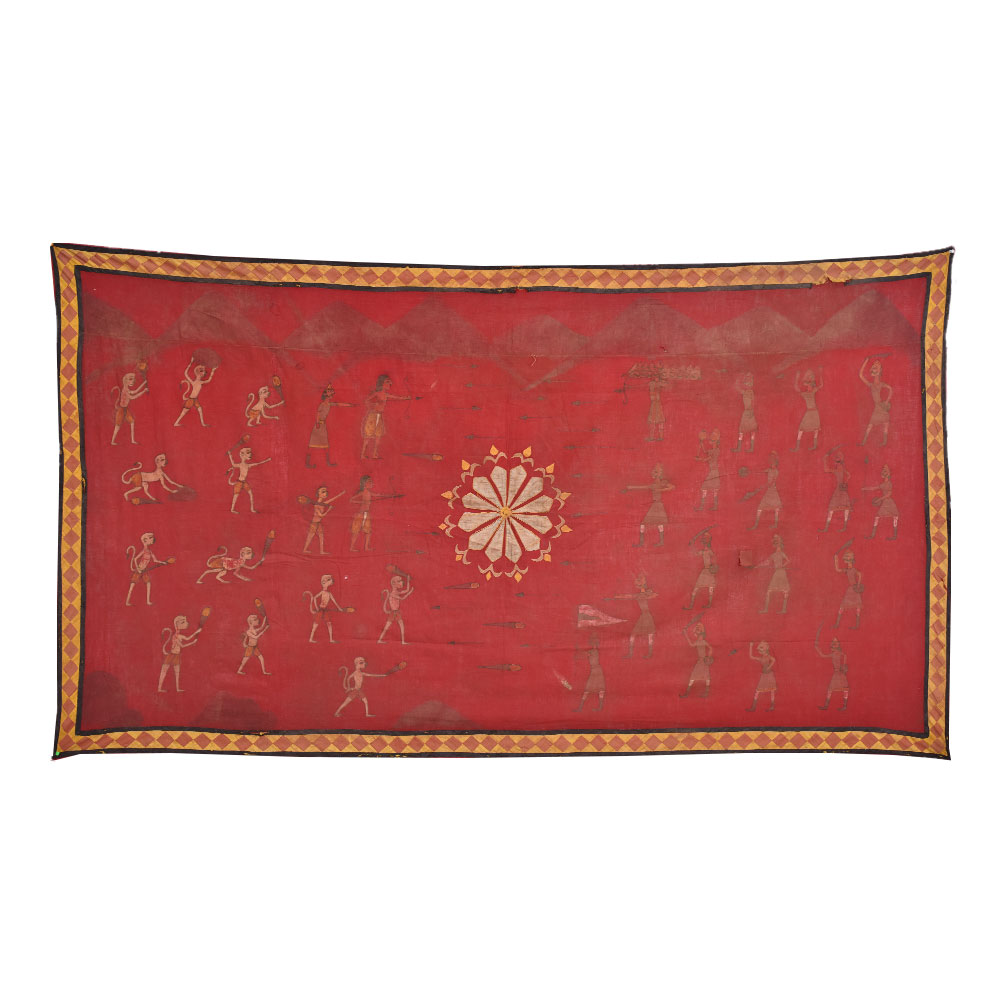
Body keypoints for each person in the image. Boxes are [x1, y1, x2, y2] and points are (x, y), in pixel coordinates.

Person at [621, 463, 674, 547]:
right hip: (656, 505)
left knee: (648, 523)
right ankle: (657, 542)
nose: (654, 473)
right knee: (658, 523)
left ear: (659, 474)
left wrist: (660, 490)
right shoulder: (653, 485)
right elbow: (642, 487)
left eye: (656, 472)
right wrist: (629, 488)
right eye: (654, 472)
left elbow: (672, 487)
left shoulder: (662, 483)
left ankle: (644, 543)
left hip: (657, 505)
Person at [360, 374, 410, 459]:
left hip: (379, 416)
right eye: (387, 381)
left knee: (378, 435)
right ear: (382, 383)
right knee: (368, 435)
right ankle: (363, 454)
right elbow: (366, 401)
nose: (390, 383)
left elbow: (397, 397)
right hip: (373, 415)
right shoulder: (377, 393)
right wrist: (374, 404)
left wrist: (406, 398)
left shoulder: (386, 394)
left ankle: (375, 454)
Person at [859, 358, 892, 446]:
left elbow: (890, 389)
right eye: (874, 368)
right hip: (877, 407)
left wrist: (887, 401)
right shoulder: (871, 385)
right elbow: (861, 375)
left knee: (885, 424)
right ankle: (863, 442)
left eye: (876, 368)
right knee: (870, 425)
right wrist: (866, 361)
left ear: (879, 371)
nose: (874, 370)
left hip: (881, 406)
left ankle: (884, 442)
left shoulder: (881, 384)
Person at [680, 621, 713, 698]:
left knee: (697, 676)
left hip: (703, 661)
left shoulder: (701, 641)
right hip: (703, 661)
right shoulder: (701, 641)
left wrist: (686, 635)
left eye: (699, 634)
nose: (698, 636)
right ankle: (704, 693)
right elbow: (710, 648)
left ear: (701, 635)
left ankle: (688, 693)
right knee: (705, 676)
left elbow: (691, 645)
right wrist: (708, 657)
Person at [816, 635, 849, 710]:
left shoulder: (842, 655)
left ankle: (844, 706)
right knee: (831, 689)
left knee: (844, 689)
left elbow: (844, 666)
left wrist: (843, 670)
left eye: (835, 644)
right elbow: (822, 655)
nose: (833, 646)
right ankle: (827, 706)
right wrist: (817, 648)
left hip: (841, 674)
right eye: (833, 644)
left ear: (837, 646)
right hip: (837, 673)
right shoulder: (835, 654)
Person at [792, 369, 822, 450]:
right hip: (809, 412)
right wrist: (797, 378)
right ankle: (797, 447)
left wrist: (820, 373)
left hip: (814, 412)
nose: (807, 387)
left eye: (809, 386)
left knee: (816, 429)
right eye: (807, 386)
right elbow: (796, 388)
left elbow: (821, 385)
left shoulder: (813, 391)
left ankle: (814, 446)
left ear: (812, 387)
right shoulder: (805, 394)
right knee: (801, 429)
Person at [747, 640, 777, 712]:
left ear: (766, 651)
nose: (760, 652)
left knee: (772, 690)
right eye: (760, 651)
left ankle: (772, 706)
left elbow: (774, 660)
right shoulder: (760, 658)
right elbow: (751, 657)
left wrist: (769, 667)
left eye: (762, 651)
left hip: (769, 675)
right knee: (757, 691)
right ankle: (753, 707)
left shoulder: (768, 657)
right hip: (764, 676)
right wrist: (751, 646)